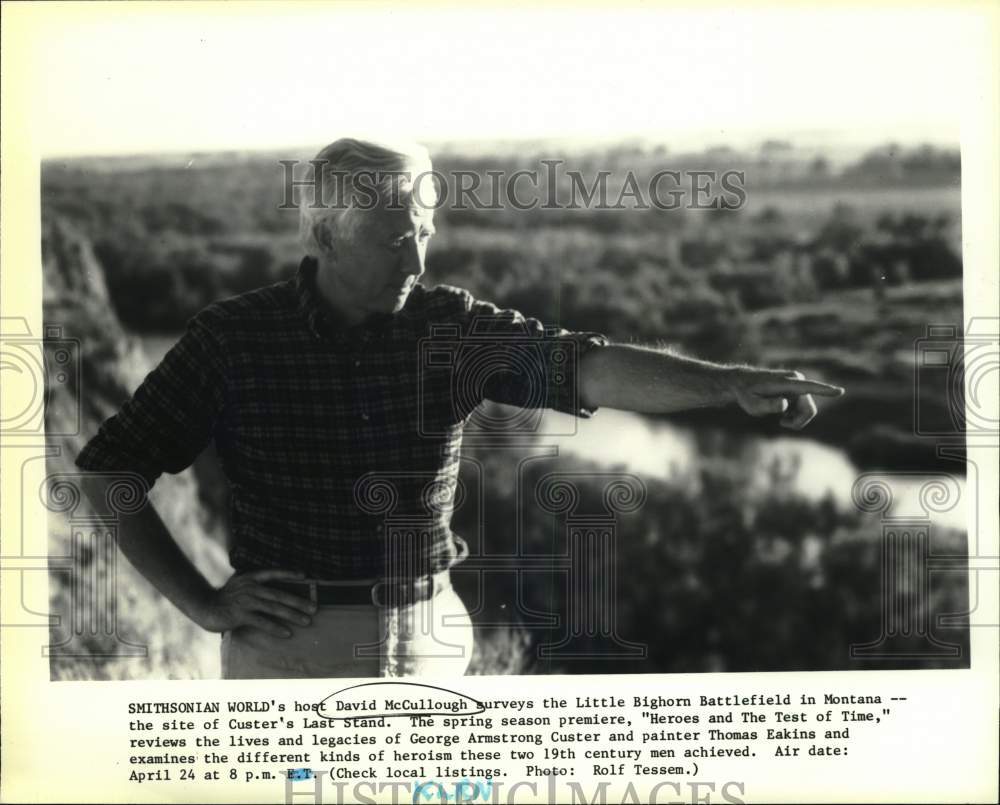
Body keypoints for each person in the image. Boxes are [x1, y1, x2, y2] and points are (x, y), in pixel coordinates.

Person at [75, 137, 845, 679]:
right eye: (394, 237)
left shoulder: (450, 326)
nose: (417, 261)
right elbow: (111, 468)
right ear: (323, 234)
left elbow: (585, 366)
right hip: (288, 654)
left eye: (427, 232)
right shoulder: (233, 338)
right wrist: (202, 602)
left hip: (431, 637)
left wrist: (731, 384)